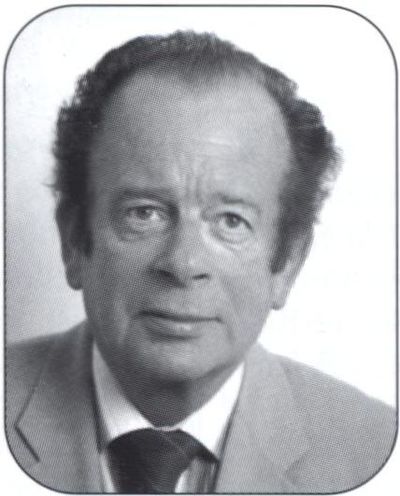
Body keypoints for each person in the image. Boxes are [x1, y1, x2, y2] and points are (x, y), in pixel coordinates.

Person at [6, 31, 395, 494]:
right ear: (74, 240)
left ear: (287, 264)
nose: (184, 263)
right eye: (143, 213)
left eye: (231, 221)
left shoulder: (375, 451)